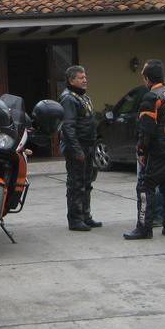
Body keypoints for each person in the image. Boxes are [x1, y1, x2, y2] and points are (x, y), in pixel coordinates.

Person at [124, 59, 165, 240]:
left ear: (148, 78)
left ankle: (144, 228)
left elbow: (146, 129)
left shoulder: (151, 97)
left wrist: (142, 151)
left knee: (145, 186)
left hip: (158, 149)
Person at [60, 65, 101, 231]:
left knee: (87, 182)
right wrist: (77, 150)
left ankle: (86, 215)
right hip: (77, 146)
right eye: (81, 78)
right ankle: (75, 219)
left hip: (89, 145)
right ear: (71, 80)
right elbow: (68, 127)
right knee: (76, 183)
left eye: (85, 77)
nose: (85, 80)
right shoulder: (69, 98)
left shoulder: (83, 97)